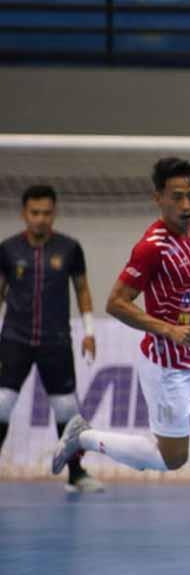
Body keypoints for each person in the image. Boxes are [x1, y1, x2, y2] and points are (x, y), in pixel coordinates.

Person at [51, 157, 190, 548]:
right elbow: (116, 303)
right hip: (167, 367)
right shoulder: (150, 248)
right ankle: (85, 437)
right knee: (171, 459)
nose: (186, 205)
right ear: (158, 198)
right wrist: (167, 329)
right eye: (177, 197)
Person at [0, 185, 102, 493]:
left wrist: (89, 331)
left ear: (54, 213)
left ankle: (76, 473)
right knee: (2, 403)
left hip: (56, 341)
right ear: (24, 214)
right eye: (35, 213)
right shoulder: (7, 250)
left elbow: (82, 289)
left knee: (66, 409)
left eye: (46, 212)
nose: (41, 219)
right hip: (14, 340)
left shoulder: (70, 249)